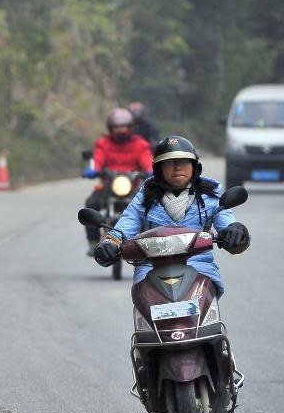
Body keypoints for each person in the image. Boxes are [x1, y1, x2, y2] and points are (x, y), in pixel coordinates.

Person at [93, 135, 250, 296]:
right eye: (169, 162)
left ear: (195, 166)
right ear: (159, 169)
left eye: (184, 161)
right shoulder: (146, 196)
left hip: (199, 267)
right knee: (145, 304)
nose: (177, 167)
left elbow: (228, 222)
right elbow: (125, 225)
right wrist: (109, 243)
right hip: (151, 268)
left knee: (206, 307)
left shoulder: (209, 194)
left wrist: (236, 231)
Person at [82, 107, 153, 255]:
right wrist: (93, 170)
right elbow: (98, 160)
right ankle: (93, 242)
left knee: (151, 207)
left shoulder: (140, 144)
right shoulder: (102, 144)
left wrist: (151, 170)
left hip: (133, 184)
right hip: (109, 183)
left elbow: (147, 160)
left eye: (124, 126)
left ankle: (151, 243)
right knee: (91, 204)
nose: (121, 130)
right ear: (110, 128)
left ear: (131, 127)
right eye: (117, 127)